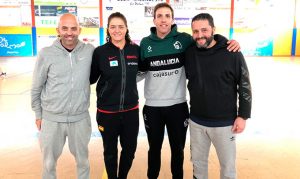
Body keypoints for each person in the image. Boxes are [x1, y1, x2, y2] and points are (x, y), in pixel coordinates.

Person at [139, 3, 241, 179]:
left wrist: (228, 42)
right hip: (153, 108)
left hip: (178, 107)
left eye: (167, 16)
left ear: (172, 19)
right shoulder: (145, 43)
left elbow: (208, 40)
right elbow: (140, 71)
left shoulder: (185, 39)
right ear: (154, 19)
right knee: (153, 149)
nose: (163, 19)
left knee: (177, 151)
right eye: (160, 16)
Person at [184, 13, 252, 179]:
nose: (200, 35)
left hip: (224, 124)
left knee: (228, 170)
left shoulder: (232, 52)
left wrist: (243, 116)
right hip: (197, 123)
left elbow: (244, 85)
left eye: (204, 30)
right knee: (198, 167)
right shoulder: (189, 53)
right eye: (195, 31)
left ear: (213, 29)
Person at [31, 13, 94, 179]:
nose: (69, 32)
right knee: (48, 164)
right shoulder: (46, 54)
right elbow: (36, 87)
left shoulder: (89, 51)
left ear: (79, 30)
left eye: (73, 28)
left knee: (83, 162)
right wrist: (38, 114)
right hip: (51, 119)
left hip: (80, 119)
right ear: (57, 29)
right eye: (65, 28)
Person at [90, 12, 141, 179]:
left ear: (126, 28)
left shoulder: (136, 50)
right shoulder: (100, 52)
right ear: (108, 29)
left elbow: (147, 69)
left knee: (130, 150)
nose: (117, 30)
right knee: (110, 152)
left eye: (121, 26)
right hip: (107, 113)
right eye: (113, 27)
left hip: (130, 112)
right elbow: (90, 78)